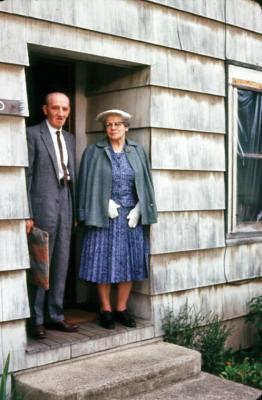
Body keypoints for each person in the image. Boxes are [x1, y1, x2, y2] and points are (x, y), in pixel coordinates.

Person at [77, 109, 157, 329]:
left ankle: (121, 308)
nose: (112, 128)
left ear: (126, 127)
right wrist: (102, 203)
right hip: (103, 216)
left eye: (117, 124)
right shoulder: (94, 151)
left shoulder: (137, 151)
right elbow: (85, 184)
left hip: (130, 218)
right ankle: (105, 309)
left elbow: (146, 182)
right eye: (108, 125)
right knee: (102, 262)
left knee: (128, 263)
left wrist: (141, 207)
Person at [26, 92, 78, 339]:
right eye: (56, 108)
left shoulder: (70, 138)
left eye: (65, 109)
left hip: (65, 203)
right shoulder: (33, 134)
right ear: (45, 109)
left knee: (61, 260)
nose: (60, 113)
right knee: (42, 261)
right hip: (42, 204)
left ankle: (55, 315)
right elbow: (26, 176)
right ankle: (36, 319)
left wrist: (75, 211)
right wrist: (26, 213)